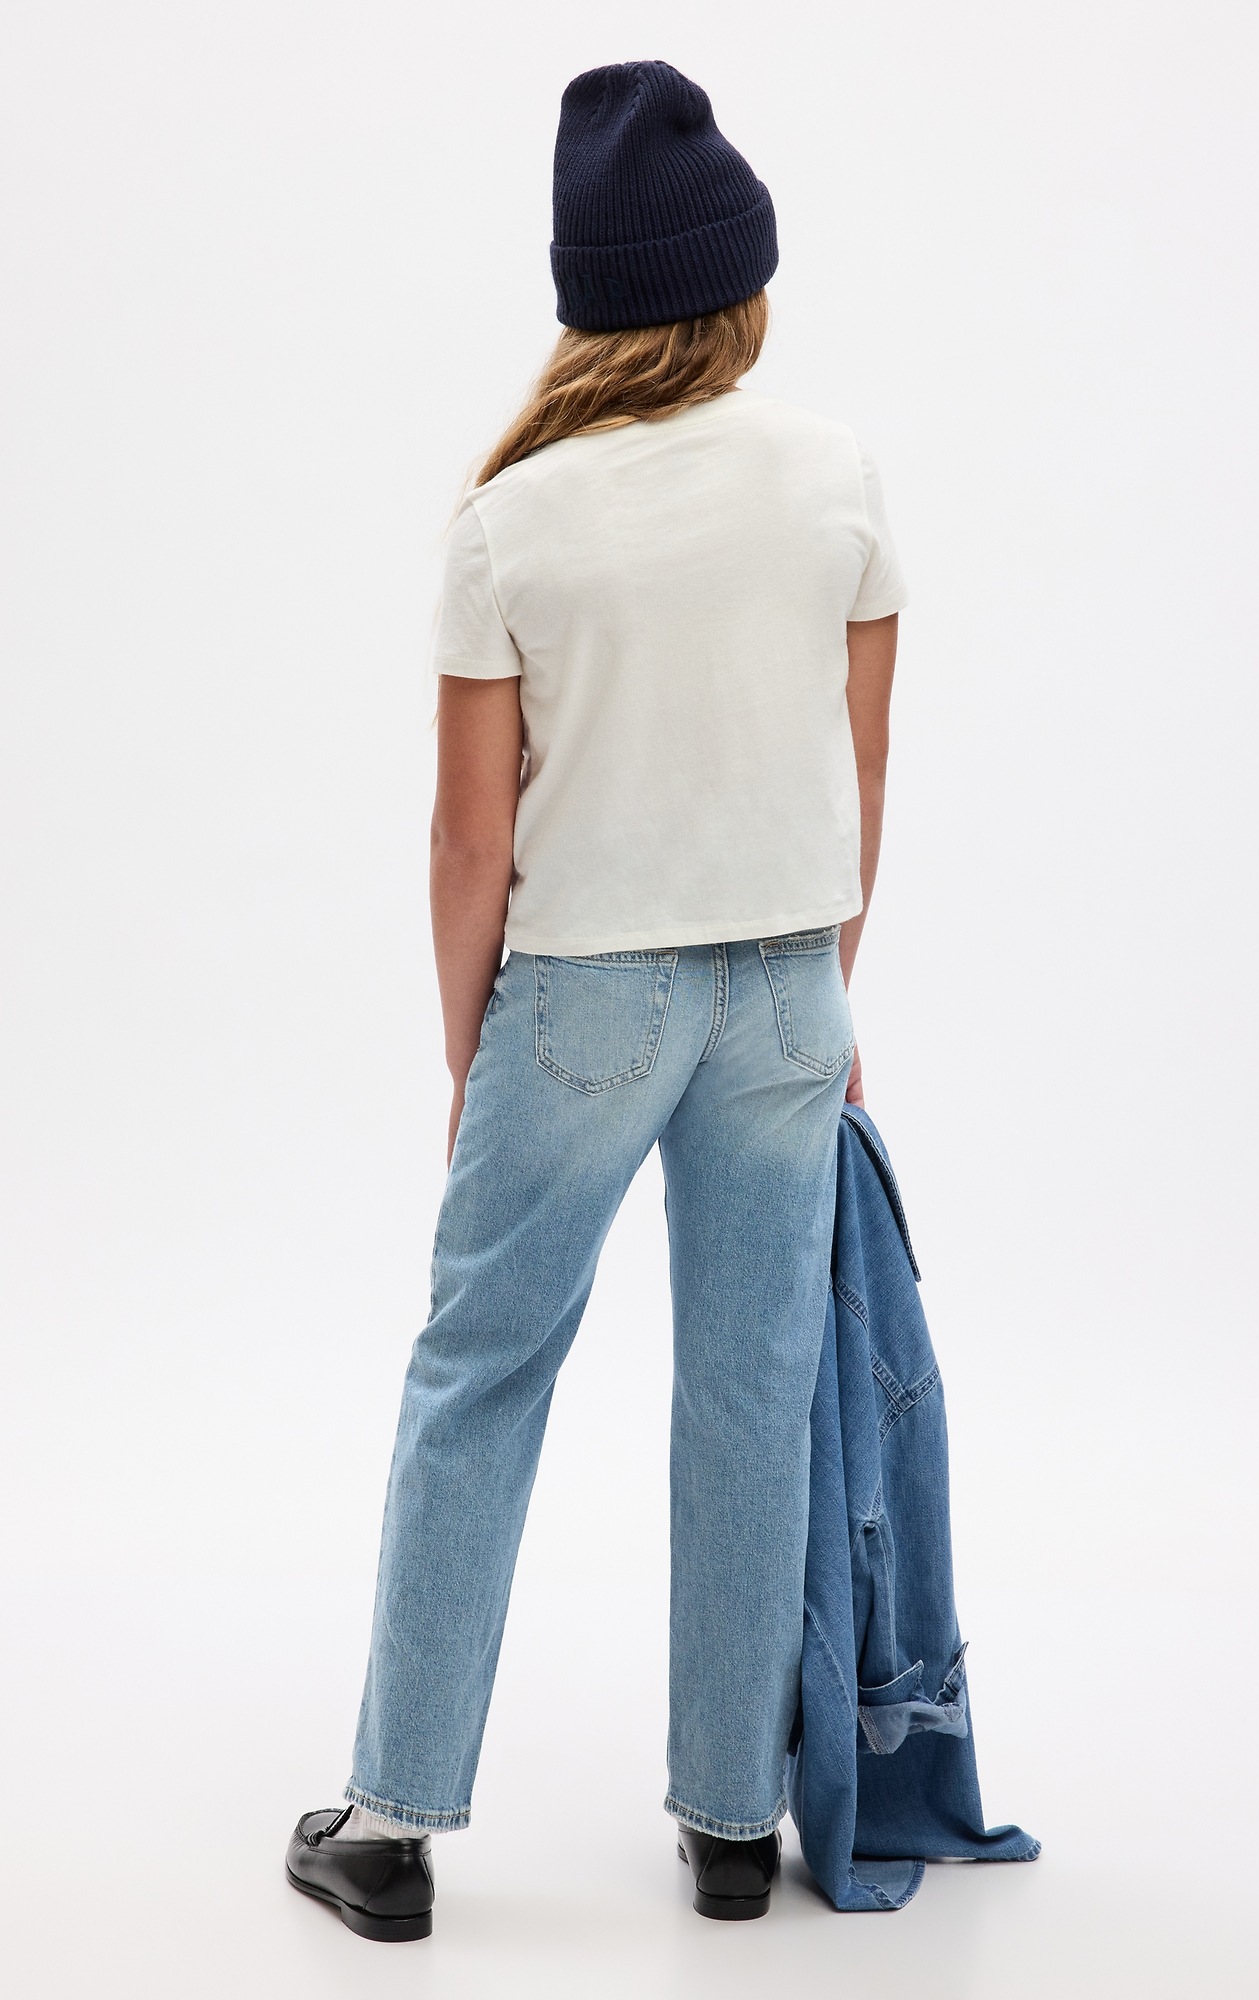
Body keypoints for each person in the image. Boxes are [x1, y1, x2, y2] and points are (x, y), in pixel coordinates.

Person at [285, 57, 905, 1939]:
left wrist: (470, 1055)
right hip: (787, 986)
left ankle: (389, 1828)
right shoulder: (839, 481)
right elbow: (858, 777)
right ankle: (730, 1830)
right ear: (740, 281)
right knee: (753, 1392)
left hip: (580, 1001)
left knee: (479, 1375)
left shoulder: (515, 522)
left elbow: (469, 841)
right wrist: (820, 997)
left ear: (589, 295)